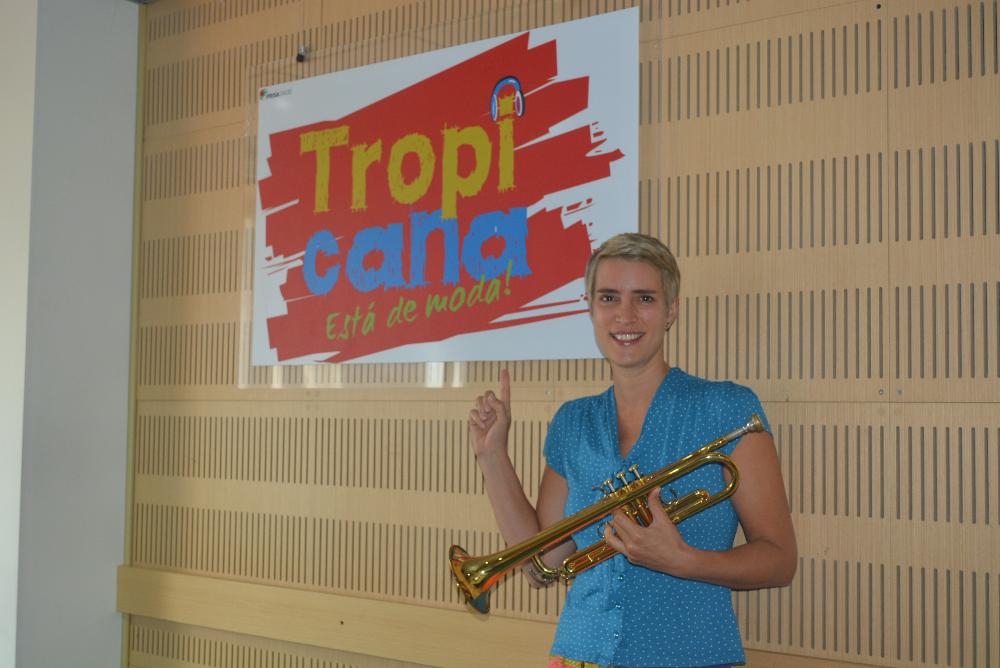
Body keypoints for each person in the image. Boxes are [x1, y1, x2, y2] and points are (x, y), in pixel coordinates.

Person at [468, 233, 797, 668]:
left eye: (644, 298)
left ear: (671, 310)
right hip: (578, 655)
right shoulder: (573, 422)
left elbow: (779, 561)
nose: (625, 315)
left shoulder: (726, 408)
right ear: (590, 308)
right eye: (609, 298)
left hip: (689, 657)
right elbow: (542, 565)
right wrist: (492, 456)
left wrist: (683, 560)